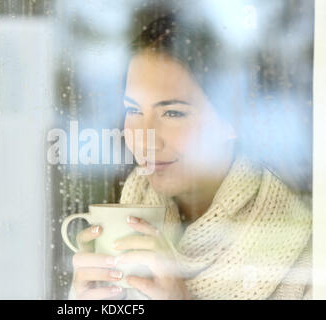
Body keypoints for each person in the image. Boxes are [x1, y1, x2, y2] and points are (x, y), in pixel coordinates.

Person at [68, 11, 312, 300]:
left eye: (173, 112)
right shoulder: (127, 211)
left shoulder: (304, 248)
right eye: (133, 110)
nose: (145, 137)